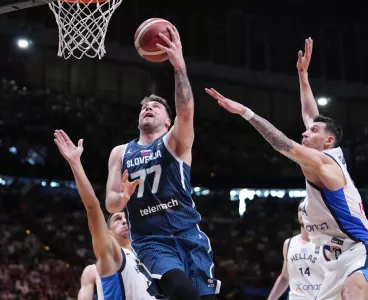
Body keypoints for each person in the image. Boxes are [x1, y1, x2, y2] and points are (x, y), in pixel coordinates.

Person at [205, 37, 368, 300]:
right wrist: (303, 76)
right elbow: (311, 116)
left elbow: (282, 144)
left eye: (312, 131)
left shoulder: (323, 162)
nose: (305, 131)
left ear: (328, 141)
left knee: (354, 290)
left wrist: (246, 112)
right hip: (336, 259)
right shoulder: (328, 153)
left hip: (360, 247)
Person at [105, 26, 220, 300]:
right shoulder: (120, 152)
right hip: (151, 241)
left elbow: (186, 109)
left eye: (155, 107)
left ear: (168, 121)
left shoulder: (174, 142)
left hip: (188, 233)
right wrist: (121, 198)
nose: (148, 108)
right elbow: (110, 204)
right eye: (145, 106)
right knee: (183, 292)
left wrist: (179, 67)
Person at [54, 129, 159, 300]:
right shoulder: (111, 254)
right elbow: (93, 207)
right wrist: (75, 163)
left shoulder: (147, 261)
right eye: (118, 219)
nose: (125, 222)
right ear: (107, 232)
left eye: (126, 219)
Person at [268, 201, 329, 300]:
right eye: (301, 209)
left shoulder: (327, 243)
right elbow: (284, 277)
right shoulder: (289, 244)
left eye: (307, 209)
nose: (303, 212)